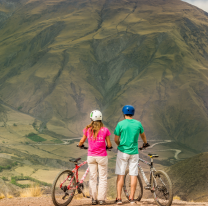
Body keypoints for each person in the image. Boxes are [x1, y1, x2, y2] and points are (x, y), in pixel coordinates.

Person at [114, 105, 149, 205]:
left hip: (123, 152)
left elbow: (116, 139)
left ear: (124, 113)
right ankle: (132, 198)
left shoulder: (120, 124)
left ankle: (119, 198)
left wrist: (120, 145)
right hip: (134, 153)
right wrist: (145, 143)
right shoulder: (138, 124)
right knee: (133, 174)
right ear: (133, 113)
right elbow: (143, 135)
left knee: (120, 174)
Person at [78, 110, 112, 205]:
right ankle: (101, 199)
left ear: (91, 119)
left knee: (93, 178)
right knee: (102, 178)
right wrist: (108, 147)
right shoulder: (105, 130)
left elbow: (82, 141)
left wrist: (80, 145)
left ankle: (93, 199)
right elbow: (109, 144)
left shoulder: (88, 130)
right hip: (102, 157)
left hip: (91, 156)